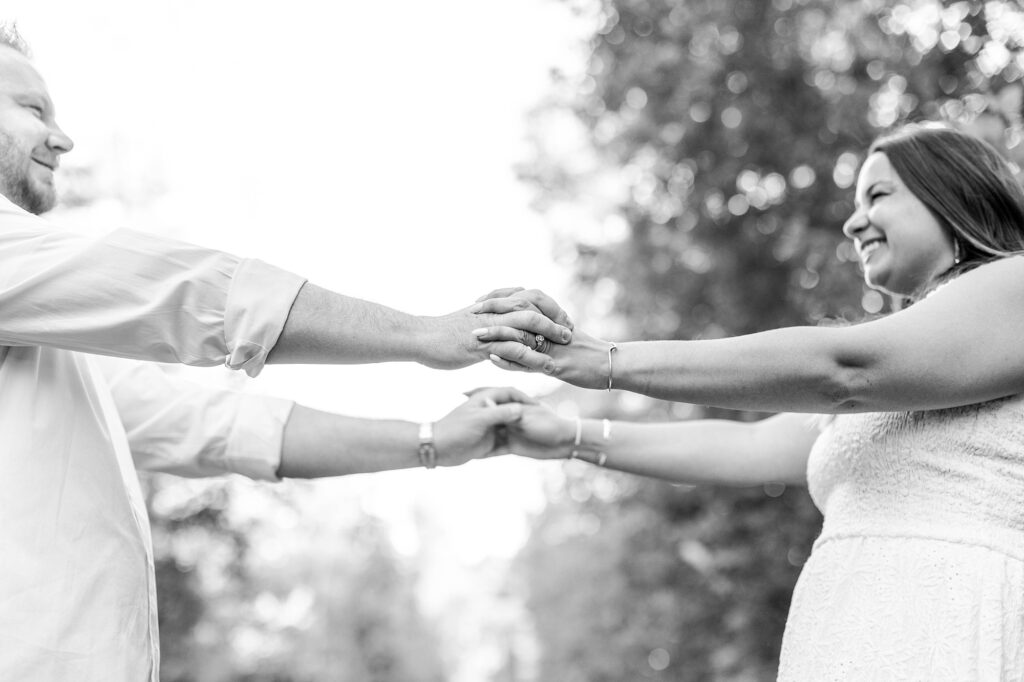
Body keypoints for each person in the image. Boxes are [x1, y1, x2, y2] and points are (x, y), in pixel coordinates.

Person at [0, 26, 569, 680]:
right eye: (33, 110)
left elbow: (214, 425)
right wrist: (423, 334)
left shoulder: (40, 331)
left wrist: (433, 439)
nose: (62, 139)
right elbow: (177, 292)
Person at [476, 124, 1024, 678]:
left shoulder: (1016, 285)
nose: (853, 222)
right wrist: (566, 436)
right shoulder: (901, 376)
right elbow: (750, 443)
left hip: (956, 628)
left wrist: (605, 360)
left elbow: (845, 367)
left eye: (878, 196)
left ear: (957, 195)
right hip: (855, 637)